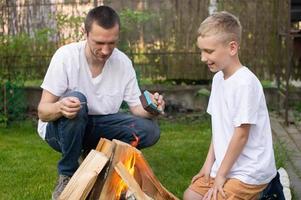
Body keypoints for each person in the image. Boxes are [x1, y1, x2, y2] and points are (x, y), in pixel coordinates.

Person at [37, 6, 165, 199]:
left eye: (111, 43)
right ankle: (68, 175)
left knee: (150, 130)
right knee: (77, 100)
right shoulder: (66, 56)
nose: (105, 50)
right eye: (99, 42)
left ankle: (107, 167)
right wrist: (59, 107)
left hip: (100, 126)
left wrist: (153, 108)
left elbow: (137, 109)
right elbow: (43, 111)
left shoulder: (123, 63)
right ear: (86, 33)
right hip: (62, 130)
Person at [183, 11, 277, 200]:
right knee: (190, 196)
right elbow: (218, 130)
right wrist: (208, 166)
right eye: (201, 51)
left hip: (250, 171)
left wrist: (221, 176)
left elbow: (241, 134)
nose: (202, 57)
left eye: (209, 51)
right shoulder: (218, 79)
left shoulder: (245, 83)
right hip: (226, 166)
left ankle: (267, 192)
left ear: (232, 48)